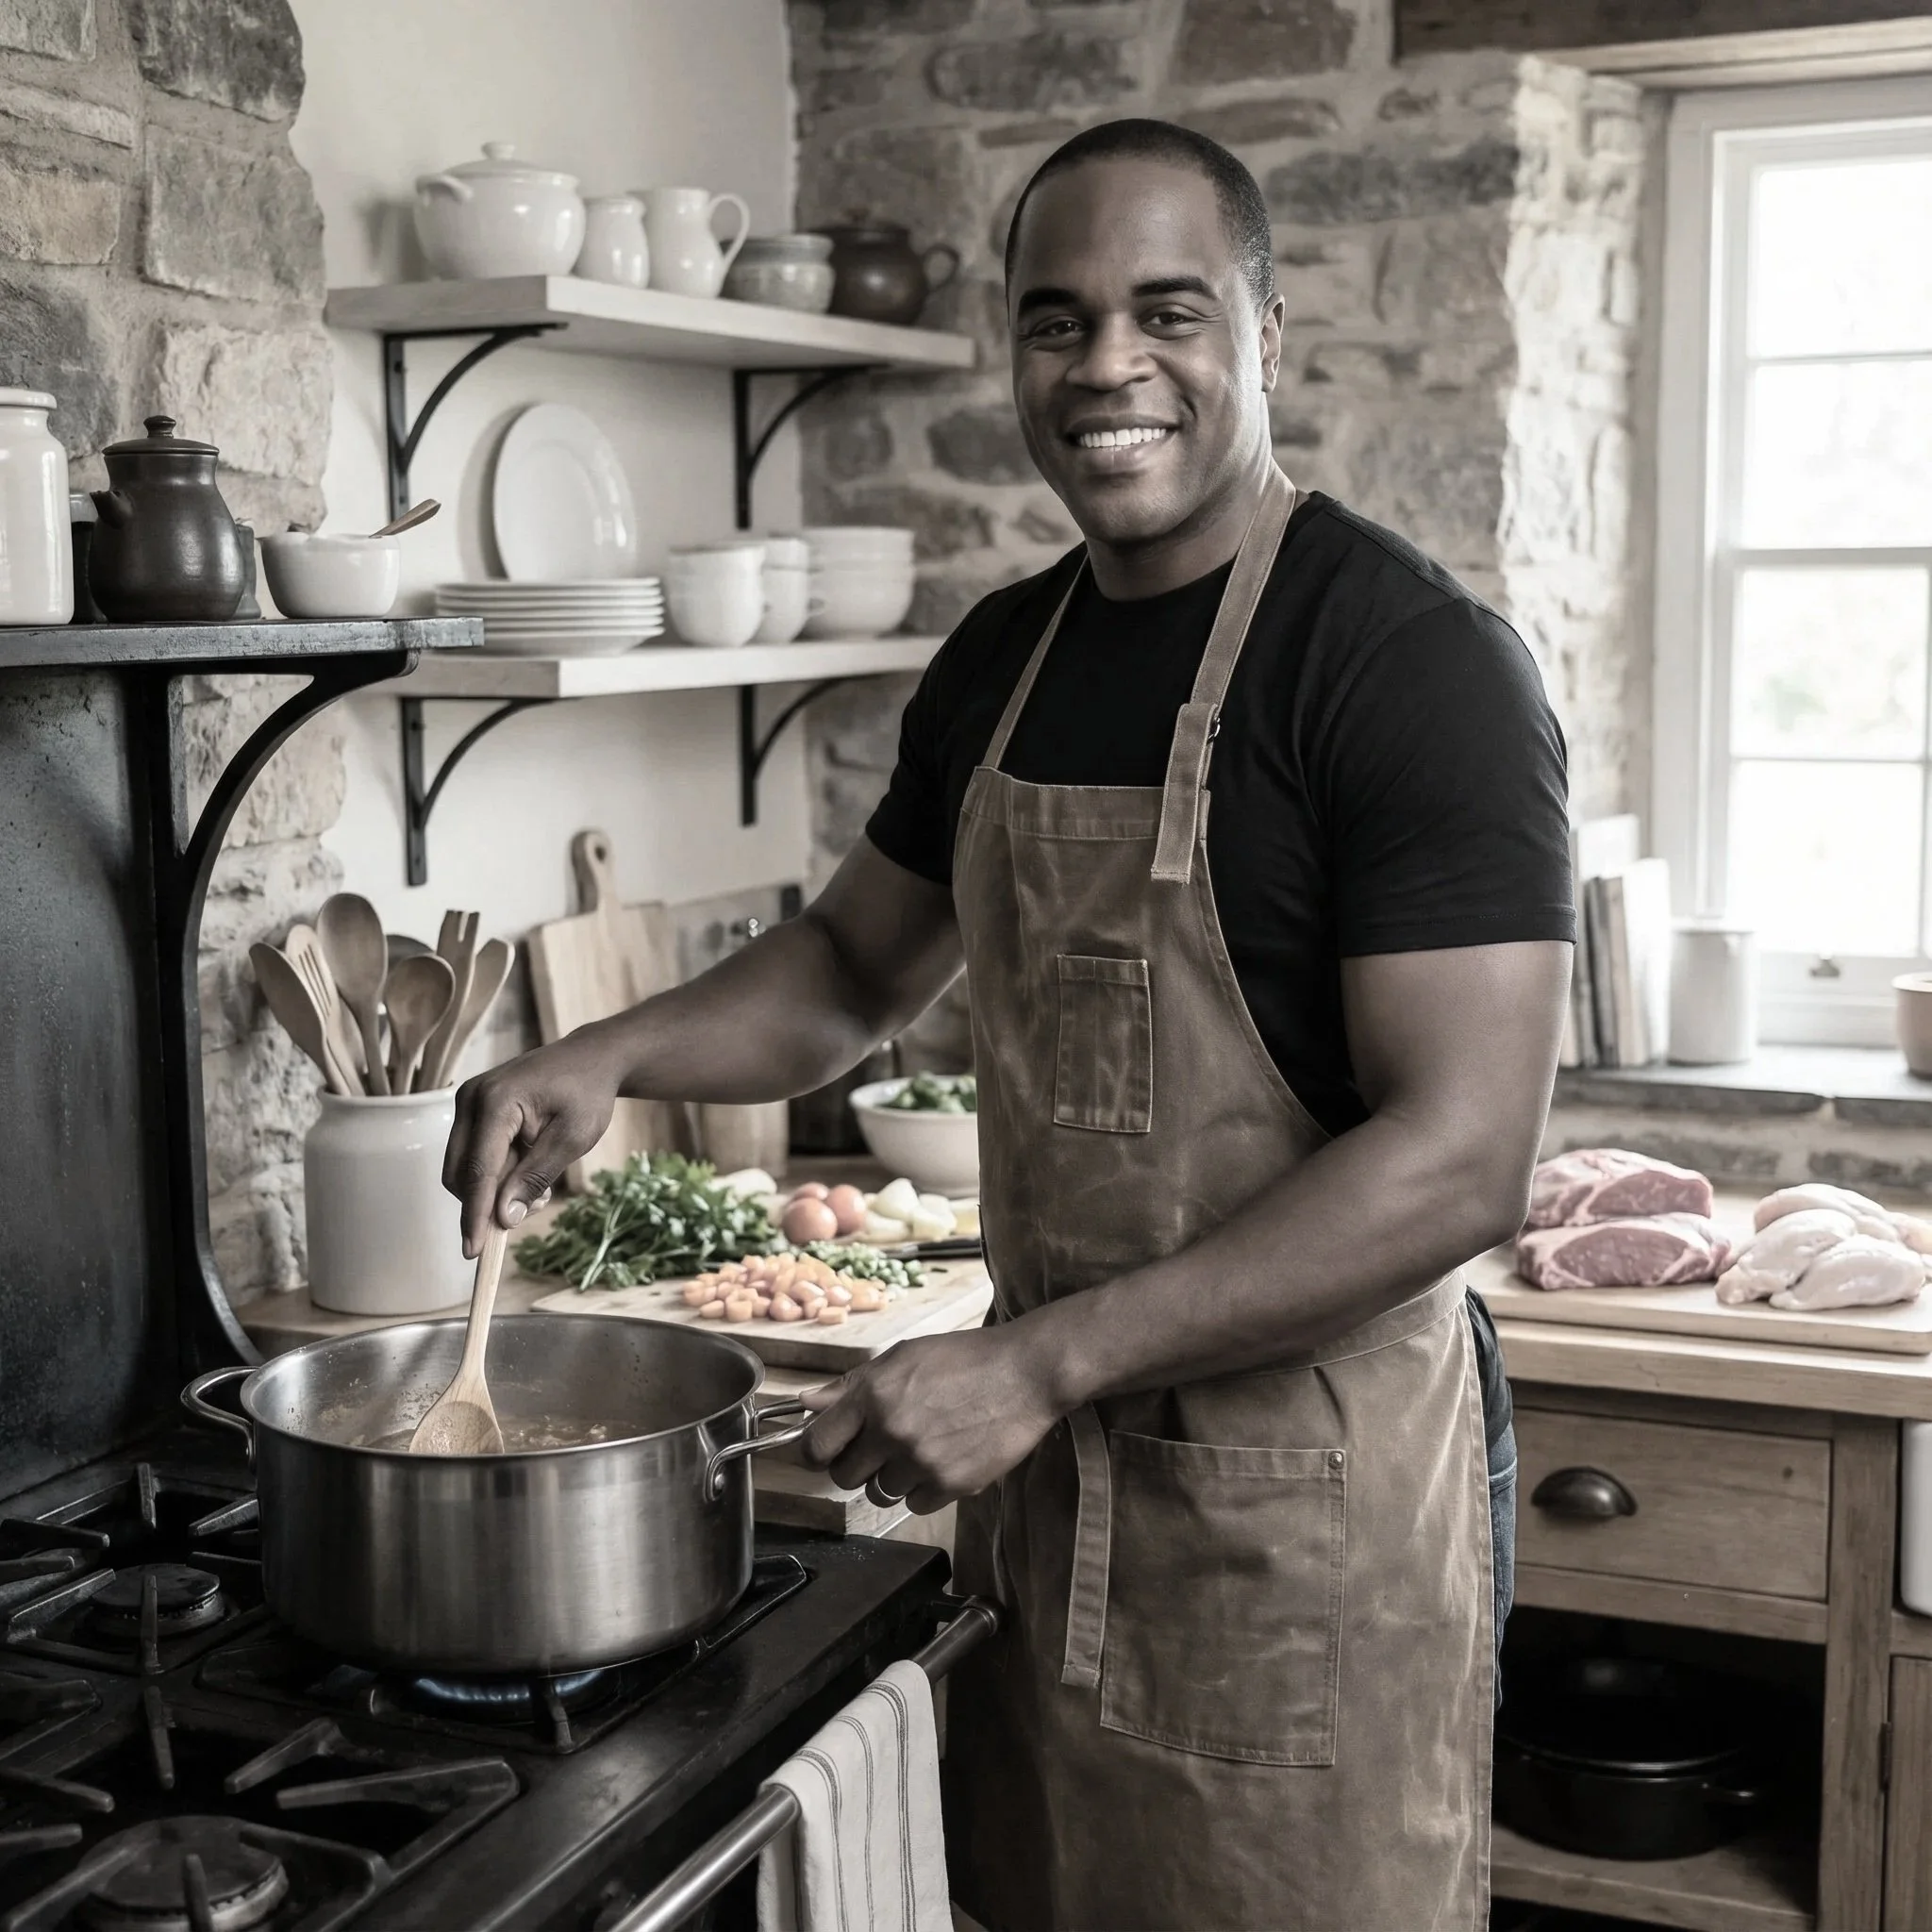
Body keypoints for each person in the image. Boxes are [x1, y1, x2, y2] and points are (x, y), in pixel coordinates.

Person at [446, 117, 1572, 1932]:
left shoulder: (1410, 663)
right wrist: (603, 1055)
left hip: (1303, 1519)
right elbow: (844, 978)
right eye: (1059, 321)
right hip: (1044, 1499)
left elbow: (1458, 1164)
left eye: (1168, 313)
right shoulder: (1004, 658)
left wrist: (1039, 1362)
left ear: (1268, 334)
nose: (1108, 366)